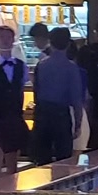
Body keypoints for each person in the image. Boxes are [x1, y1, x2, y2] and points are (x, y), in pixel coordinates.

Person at [0, 25, 30, 173]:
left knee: (12, 163)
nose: (5, 40)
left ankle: (12, 188)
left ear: (13, 40)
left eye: (9, 37)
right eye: (2, 37)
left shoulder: (21, 66)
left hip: (14, 118)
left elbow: (20, 92)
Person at [32, 28, 85, 163]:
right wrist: (78, 124)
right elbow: (76, 99)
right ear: (68, 44)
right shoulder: (71, 67)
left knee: (42, 159)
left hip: (42, 113)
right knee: (63, 159)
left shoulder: (41, 65)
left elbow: (36, 91)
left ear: (50, 43)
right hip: (61, 114)